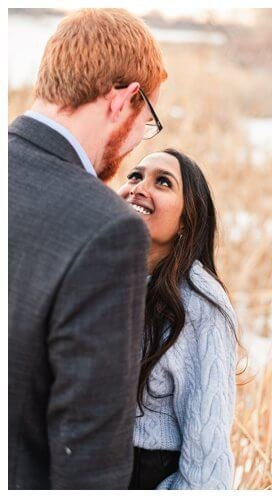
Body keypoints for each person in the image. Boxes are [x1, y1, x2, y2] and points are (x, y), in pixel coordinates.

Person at [8, 9, 168, 489]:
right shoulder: (107, 231)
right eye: (149, 119)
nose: (140, 142)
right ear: (123, 100)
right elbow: (90, 452)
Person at [118, 150, 238, 489]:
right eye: (135, 175)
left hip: (147, 475)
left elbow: (207, 464)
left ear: (187, 219)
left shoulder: (199, 305)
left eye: (163, 182)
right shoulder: (99, 278)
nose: (140, 187)